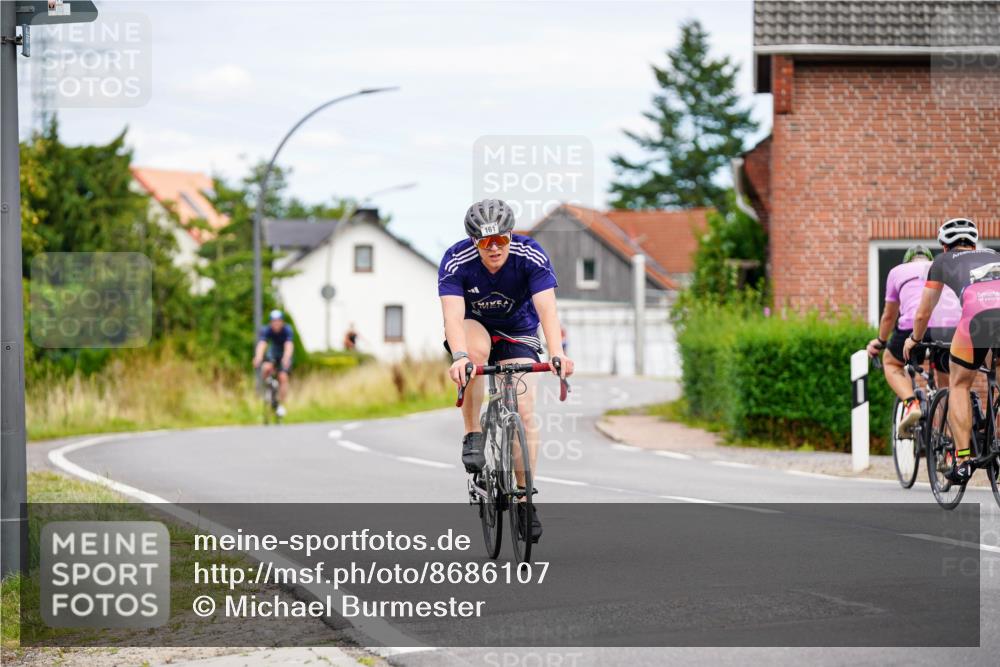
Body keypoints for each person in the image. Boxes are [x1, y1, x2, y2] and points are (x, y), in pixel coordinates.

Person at [438, 199, 575, 542]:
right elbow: (452, 316)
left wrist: (557, 354)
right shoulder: (456, 261)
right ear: (474, 242)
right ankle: (473, 433)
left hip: (519, 331)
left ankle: (526, 501)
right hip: (475, 327)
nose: (495, 248)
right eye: (486, 242)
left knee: (525, 411)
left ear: (511, 235)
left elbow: (548, 310)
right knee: (476, 354)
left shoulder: (531, 255)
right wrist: (458, 356)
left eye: (501, 239)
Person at [904, 218, 1000, 483]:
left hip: (977, 317)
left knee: (959, 384)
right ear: (973, 242)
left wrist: (914, 339)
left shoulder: (942, 262)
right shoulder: (994, 255)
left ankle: (963, 458)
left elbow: (924, 312)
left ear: (944, 246)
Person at [866, 245, 960, 434]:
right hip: (952, 328)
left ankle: (911, 404)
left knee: (891, 363)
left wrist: (881, 341)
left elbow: (888, 316)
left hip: (914, 327)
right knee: (948, 386)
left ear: (907, 261)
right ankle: (948, 449)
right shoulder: (942, 266)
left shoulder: (897, 271)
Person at [253, 309, 295, 417]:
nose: (276, 324)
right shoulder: (267, 330)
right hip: (273, 353)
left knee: (283, 377)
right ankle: (267, 388)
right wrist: (258, 357)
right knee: (265, 367)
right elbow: (262, 344)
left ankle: (281, 404)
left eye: (278, 321)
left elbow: (289, 345)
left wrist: (286, 358)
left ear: (282, 322)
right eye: (274, 321)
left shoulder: (287, 330)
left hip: (284, 355)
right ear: (271, 323)